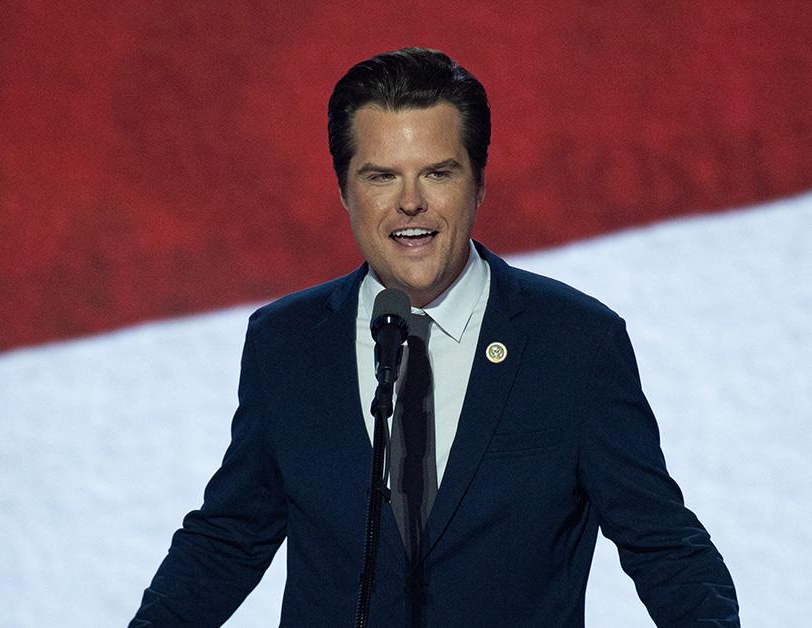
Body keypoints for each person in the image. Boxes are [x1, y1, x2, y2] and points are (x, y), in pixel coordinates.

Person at [132, 48, 738, 627]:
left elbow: (661, 541)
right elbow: (229, 537)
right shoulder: (287, 342)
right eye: (381, 177)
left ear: (478, 184)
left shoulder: (574, 343)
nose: (411, 204)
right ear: (344, 191)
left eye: (437, 173)